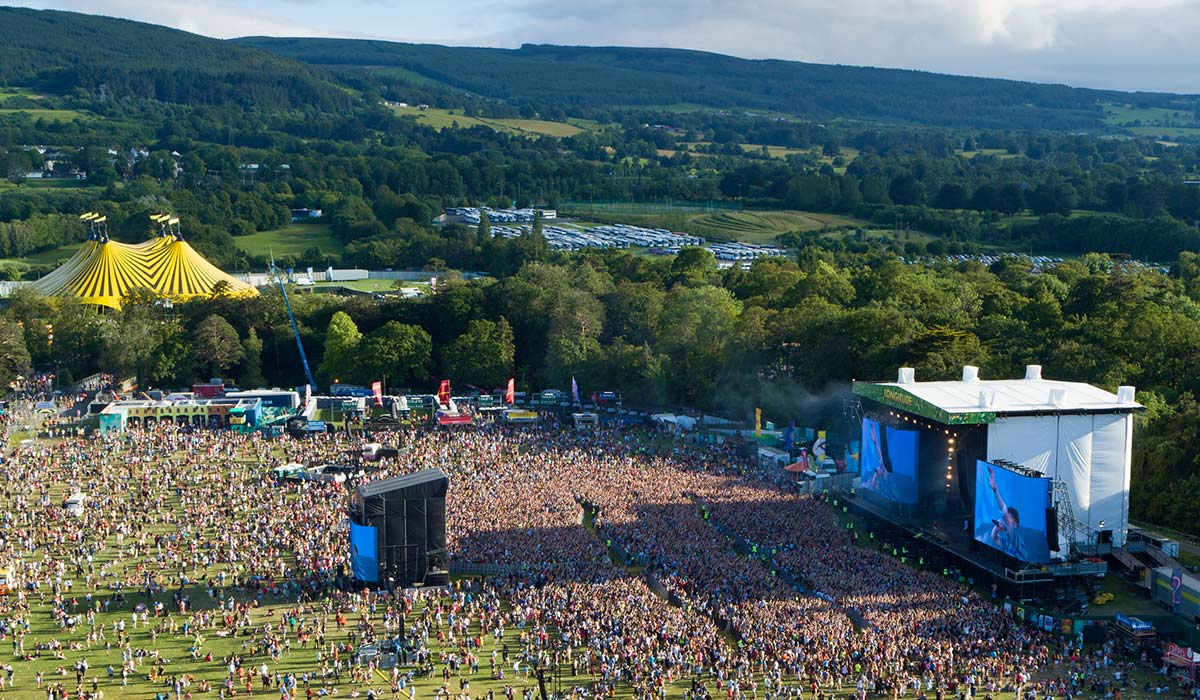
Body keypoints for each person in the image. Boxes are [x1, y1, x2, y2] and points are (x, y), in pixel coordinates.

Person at [986, 464, 1028, 561]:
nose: (1006, 520)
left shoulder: (1017, 538)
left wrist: (995, 490)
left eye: (1009, 518)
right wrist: (997, 527)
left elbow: (1004, 513)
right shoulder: (1007, 540)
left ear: (1016, 523)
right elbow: (994, 537)